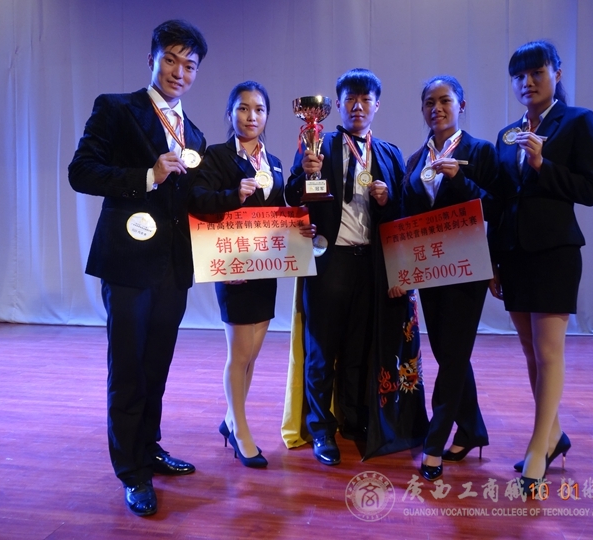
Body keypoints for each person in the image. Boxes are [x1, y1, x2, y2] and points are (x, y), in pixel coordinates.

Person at [68, 19, 208, 516]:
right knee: (128, 370)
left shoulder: (194, 133)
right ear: (151, 60)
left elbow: (195, 199)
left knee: (156, 368)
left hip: (173, 269)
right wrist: (146, 175)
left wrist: (241, 199)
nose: (179, 72)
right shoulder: (116, 108)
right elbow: (81, 172)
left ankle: (148, 447)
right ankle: (131, 472)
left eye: (189, 65)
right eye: (170, 59)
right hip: (128, 266)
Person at [285, 68, 425, 466]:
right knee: (321, 350)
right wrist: (305, 173)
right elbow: (292, 195)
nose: (358, 106)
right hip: (330, 261)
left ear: (377, 106)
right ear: (338, 104)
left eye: (366, 100)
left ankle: (351, 418)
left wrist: (387, 199)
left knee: (357, 349)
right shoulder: (318, 144)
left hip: (371, 266)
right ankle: (320, 428)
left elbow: (402, 214)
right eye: (350, 99)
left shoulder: (390, 153)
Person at [488, 40, 593, 495]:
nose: (527, 82)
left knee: (549, 352)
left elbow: (591, 189)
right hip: (514, 255)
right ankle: (554, 436)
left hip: (555, 252)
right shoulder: (507, 134)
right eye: (519, 76)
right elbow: (500, 201)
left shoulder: (576, 121)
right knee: (530, 353)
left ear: (557, 72)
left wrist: (542, 164)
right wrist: (492, 261)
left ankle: (538, 450)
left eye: (536, 72)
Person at [189, 81, 315, 468]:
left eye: (259, 110)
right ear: (230, 113)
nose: (251, 116)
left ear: (267, 116)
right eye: (243, 108)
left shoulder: (273, 162)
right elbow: (197, 199)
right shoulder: (216, 156)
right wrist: (234, 196)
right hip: (233, 266)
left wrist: (300, 226)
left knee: (252, 353)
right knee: (239, 352)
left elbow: (279, 209)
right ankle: (241, 431)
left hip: (265, 265)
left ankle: (231, 419)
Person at [389, 75, 497, 481]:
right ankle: (472, 430)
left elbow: (496, 206)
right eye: (429, 102)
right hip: (430, 268)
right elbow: (407, 218)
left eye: (445, 100)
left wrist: (460, 180)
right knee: (449, 353)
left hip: (468, 270)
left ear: (461, 105)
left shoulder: (479, 152)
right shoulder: (415, 159)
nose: (436, 108)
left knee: (452, 357)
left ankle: (434, 443)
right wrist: (403, 271)